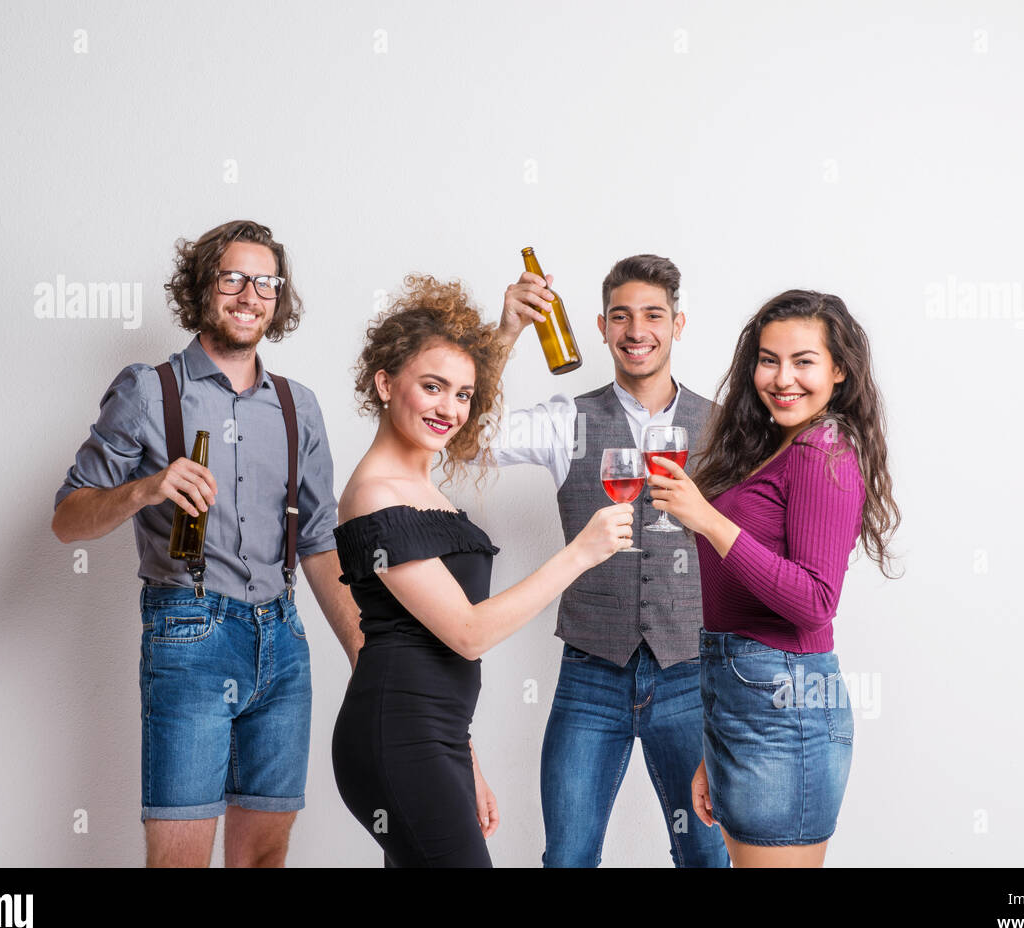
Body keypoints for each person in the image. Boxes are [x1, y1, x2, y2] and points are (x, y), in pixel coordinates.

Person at [51, 220, 363, 867]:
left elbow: (318, 542)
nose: (251, 293)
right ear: (203, 287)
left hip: (283, 641)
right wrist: (145, 488)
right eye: (234, 277)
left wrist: (367, 652)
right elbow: (68, 518)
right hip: (188, 632)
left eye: (266, 281)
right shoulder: (148, 390)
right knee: (180, 861)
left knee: (262, 858)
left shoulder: (296, 405)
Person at [331, 274, 633, 868]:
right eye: (433, 387)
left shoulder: (421, 485)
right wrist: (579, 553)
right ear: (386, 383)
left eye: (463, 395)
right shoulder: (375, 495)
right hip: (395, 737)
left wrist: (464, 759)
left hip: (435, 736)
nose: (449, 408)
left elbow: (427, 644)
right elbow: (466, 633)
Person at [482, 254, 730, 867]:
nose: (636, 330)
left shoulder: (726, 429)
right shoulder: (567, 419)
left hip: (691, 677)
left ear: (678, 324)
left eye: (652, 315)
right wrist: (506, 333)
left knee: (706, 856)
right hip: (592, 672)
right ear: (598, 326)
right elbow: (466, 434)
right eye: (621, 316)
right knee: (567, 858)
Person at [645, 289, 901, 867]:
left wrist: (707, 520)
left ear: (839, 370)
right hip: (745, 702)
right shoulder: (773, 448)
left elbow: (814, 602)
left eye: (804, 360)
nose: (783, 378)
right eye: (768, 359)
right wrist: (715, 743)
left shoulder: (822, 449)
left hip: (787, 708)